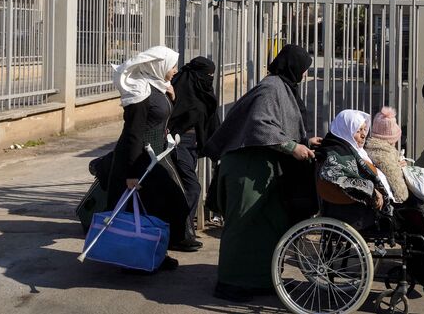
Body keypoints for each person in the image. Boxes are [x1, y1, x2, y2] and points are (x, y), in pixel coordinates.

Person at [202, 44, 320, 303]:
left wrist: (306, 142)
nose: (303, 75)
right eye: (303, 70)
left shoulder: (282, 88)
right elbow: (260, 124)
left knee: (269, 225)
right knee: (242, 225)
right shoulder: (271, 88)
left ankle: (261, 280)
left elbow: (279, 125)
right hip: (247, 167)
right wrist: (292, 147)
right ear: (293, 68)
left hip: (263, 168)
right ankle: (230, 282)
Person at [317, 109, 424, 296]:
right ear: (345, 129)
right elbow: (339, 178)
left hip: (369, 206)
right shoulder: (336, 152)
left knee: (416, 215)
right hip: (360, 212)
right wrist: (372, 190)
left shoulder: (351, 148)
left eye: (364, 130)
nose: (363, 134)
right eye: (358, 130)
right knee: (415, 218)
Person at [106, 45, 190, 272]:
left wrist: (172, 97)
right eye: (172, 66)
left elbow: (161, 117)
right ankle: (137, 258)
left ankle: (155, 253)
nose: (174, 70)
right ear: (158, 65)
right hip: (139, 160)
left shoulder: (158, 86)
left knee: (164, 208)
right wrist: (131, 174)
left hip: (155, 156)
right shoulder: (140, 92)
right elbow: (134, 133)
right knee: (147, 211)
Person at [365, 106, 424, 246]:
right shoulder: (384, 154)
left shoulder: (378, 150)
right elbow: (398, 186)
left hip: (388, 193)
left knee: (418, 190)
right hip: (394, 200)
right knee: (418, 197)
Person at [166, 56, 221, 251]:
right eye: (208, 75)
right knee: (192, 188)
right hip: (179, 144)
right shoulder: (177, 88)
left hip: (193, 146)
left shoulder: (203, 90)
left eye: (212, 75)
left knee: (186, 189)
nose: (210, 78)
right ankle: (179, 234)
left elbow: (212, 119)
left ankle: (183, 232)